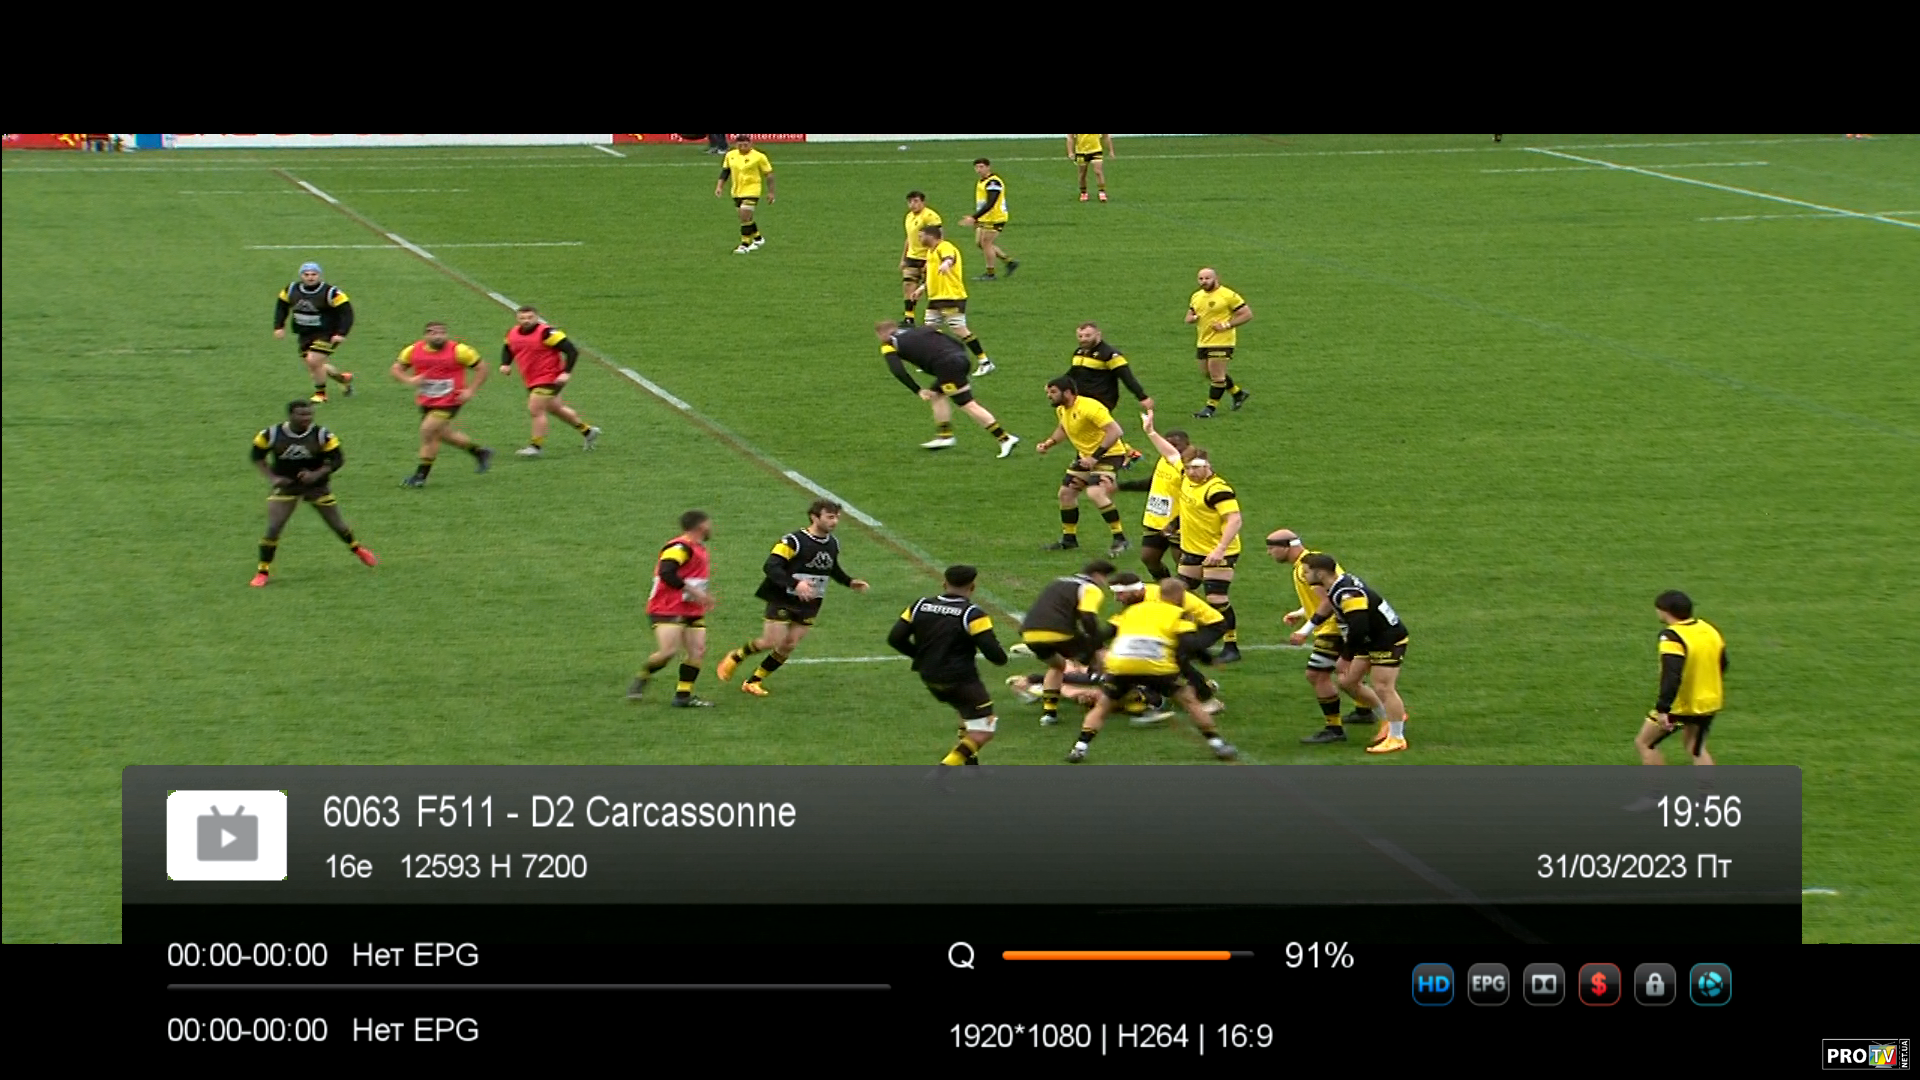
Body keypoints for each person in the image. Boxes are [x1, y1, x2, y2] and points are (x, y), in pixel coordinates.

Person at [1067, 575, 1235, 763]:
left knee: (1103, 706)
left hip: (1121, 665)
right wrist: (1209, 659)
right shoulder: (1179, 613)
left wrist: (1083, 654)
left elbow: (1103, 635)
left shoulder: (1131, 610)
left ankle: (1080, 747)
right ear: (1180, 596)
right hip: (1157, 667)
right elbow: (1189, 644)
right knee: (1189, 700)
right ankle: (1217, 744)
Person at [715, 499, 870, 695]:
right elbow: (771, 566)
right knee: (771, 641)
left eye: (837, 517)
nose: (835, 522)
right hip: (783, 597)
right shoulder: (793, 541)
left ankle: (754, 681)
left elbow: (831, 567)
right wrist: (795, 584)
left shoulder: (833, 543)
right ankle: (737, 656)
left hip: (811, 601)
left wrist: (849, 581)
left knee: (789, 644)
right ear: (815, 517)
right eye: (830, 517)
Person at [1143, 411, 1244, 661]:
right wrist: (1151, 432)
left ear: (1208, 466)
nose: (1191, 471)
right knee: (1179, 594)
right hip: (1193, 550)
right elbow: (1170, 455)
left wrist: (1220, 549)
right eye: (1188, 467)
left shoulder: (1217, 489)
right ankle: (1188, 640)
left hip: (1219, 552)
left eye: (1197, 468)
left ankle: (1231, 646)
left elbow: (1235, 520)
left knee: (1216, 598)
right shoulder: (1187, 479)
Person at [888, 565, 1010, 766]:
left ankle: (971, 767)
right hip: (961, 680)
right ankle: (943, 771)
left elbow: (895, 638)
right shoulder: (973, 614)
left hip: (929, 676)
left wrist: (921, 657)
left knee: (965, 711)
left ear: (944, 583)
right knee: (983, 731)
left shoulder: (919, 605)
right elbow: (996, 656)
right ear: (973, 587)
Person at [248, 400, 377, 586]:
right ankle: (263, 571)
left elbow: (338, 459)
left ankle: (357, 549)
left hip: (316, 486)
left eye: (309, 414)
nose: (306, 418)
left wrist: (316, 474)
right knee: (274, 528)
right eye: (301, 414)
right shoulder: (271, 434)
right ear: (290, 415)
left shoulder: (322, 435)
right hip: (287, 486)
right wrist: (273, 478)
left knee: (338, 525)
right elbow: (256, 456)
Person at [1269, 530, 1376, 743]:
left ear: (1286, 547)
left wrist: (1304, 630)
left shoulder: (1306, 569)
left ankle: (1335, 729)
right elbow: (1332, 595)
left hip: (1332, 628)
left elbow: (1329, 600)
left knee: (1317, 675)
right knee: (1346, 672)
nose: (1269, 552)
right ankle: (1364, 711)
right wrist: (1302, 612)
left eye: (1272, 547)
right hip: (1338, 625)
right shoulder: (1314, 560)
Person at [1299, 554, 1410, 754]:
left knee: (1383, 687)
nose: (1304, 576)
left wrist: (1346, 657)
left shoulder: (1348, 594)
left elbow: (1359, 628)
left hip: (1387, 640)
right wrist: (1305, 623)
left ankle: (1397, 737)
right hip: (1370, 640)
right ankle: (1389, 718)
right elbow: (1333, 608)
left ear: (1320, 573)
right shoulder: (1337, 586)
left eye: (1306, 572)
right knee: (1347, 682)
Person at [875, 321, 1019, 455]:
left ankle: (1004, 438)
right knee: (937, 395)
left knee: (967, 404)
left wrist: (917, 390)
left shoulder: (888, 344)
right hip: (960, 359)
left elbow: (897, 370)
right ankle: (945, 436)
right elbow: (955, 342)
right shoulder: (922, 329)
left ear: (882, 334)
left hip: (947, 366)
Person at [629, 510, 718, 708]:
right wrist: (695, 592)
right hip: (667, 607)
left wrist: (703, 596)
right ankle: (642, 676)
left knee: (697, 651)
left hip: (692, 609)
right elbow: (666, 572)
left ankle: (683, 696)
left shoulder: (699, 547)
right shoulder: (680, 547)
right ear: (701, 526)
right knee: (668, 652)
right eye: (709, 523)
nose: (711, 527)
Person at [1035, 375, 1131, 555]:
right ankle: (1069, 539)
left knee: (1095, 492)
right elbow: (1063, 428)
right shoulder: (1062, 409)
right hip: (1086, 457)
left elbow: (1115, 431)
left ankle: (1120, 538)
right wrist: (1049, 443)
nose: (1049, 396)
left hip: (1109, 455)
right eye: (1048, 392)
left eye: (1053, 392)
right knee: (1066, 493)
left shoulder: (1090, 407)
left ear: (1067, 392)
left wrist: (1095, 457)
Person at [392, 321, 494, 487]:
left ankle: (420, 476)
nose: (438, 336)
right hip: (427, 400)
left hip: (450, 400)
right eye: (433, 333)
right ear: (426, 335)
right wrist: (409, 380)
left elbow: (482, 368)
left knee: (428, 430)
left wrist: (470, 390)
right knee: (444, 435)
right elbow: (396, 369)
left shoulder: (459, 350)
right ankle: (479, 452)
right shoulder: (413, 350)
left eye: (441, 333)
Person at [1635, 591, 1726, 766]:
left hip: (1681, 705)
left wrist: (1663, 709)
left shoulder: (1672, 637)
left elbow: (1671, 674)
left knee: (1645, 743)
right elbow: (1722, 663)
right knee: (1696, 748)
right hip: (1709, 701)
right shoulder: (1709, 629)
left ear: (1665, 611)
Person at [1018, 560, 1114, 726]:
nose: (1105, 584)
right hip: (1059, 632)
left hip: (1029, 633)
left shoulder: (1058, 582)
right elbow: (1087, 617)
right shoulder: (1090, 588)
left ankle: (1049, 713)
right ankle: (1118, 693)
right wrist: (1096, 642)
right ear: (1098, 575)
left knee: (1058, 666)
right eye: (1106, 578)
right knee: (1101, 653)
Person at [500, 306, 601, 457]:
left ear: (537, 317)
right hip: (532, 378)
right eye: (522, 318)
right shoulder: (512, 333)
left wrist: (566, 373)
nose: (526, 321)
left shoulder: (547, 333)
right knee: (555, 408)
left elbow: (571, 351)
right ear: (517, 319)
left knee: (535, 409)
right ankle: (587, 431)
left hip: (550, 377)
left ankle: (536, 446)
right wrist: (506, 363)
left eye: (530, 317)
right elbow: (508, 348)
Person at [912, 224, 995, 377]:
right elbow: (932, 275)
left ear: (931, 236)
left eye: (921, 236)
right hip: (936, 297)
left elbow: (949, 258)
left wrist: (946, 263)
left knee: (959, 330)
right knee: (929, 330)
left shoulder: (945, 246)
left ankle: (985, 362)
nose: (919, 239)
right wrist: (921, 288)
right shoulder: (930, 252)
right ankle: (935, 361)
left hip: (951, 297)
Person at [272, 262, 355, 403]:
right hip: (304, 333)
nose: (310, 277)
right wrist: (278, 326)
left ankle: (321, 394)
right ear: (301, 276)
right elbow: (281, 306)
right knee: (315, 365)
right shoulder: (291, 290)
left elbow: (347, 313)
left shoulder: (332, 292)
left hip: (327, 333)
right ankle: (343, 379)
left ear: (319, 275)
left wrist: (341, 333)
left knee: (314, 360)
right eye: (306, 274)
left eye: (314, 274)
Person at [1185, 267, 1252, 418]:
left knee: (1217, 376)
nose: (1204, 281)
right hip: (1203, 341)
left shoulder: (1228, 295)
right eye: (1201, 279)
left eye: (1207, 278)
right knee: (1207, 373)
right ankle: (1237, 393)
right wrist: (1191, 319)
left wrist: (1227, 325)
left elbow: (1247, 314)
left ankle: (1210, 408)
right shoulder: (1196, 296)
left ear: (1216, 278)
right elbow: (1189, 315)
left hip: (1222, 341)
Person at [1123, 426, 1188, 580]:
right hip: (1156, 519)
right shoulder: (1164, 459)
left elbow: (1195, 499)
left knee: (1183, 566)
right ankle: (1165, 585)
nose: (1170, 448)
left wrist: (1175, 523)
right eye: (1168, 444)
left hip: (1180, 524)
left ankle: (1184, 592)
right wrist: (1119, 486)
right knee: (1148, 557)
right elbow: (1152, 482)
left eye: (1176, 445)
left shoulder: (1188, 467)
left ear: (1187, 445)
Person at [1065, 322, 1153, 419]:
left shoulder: (1110, 354)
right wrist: (1057, 385)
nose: (1083, 339)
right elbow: (1073, 374)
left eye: (1088, 336)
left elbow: (1126, 377)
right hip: (1082, 400)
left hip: (1100, 400)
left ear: (1098, 335)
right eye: (1080, 336)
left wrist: (1142, 397)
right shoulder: (1079, 353)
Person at [714, 134, 775, 254]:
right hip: (737, 191)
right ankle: (758, 238)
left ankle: (744, 244)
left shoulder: (759, 157)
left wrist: (771, 192)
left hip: (752, 190)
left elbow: (769, 175)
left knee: (744, 216)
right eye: (740, 145)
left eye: (745, 145)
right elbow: (725, 172)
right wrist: (719, 186)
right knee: (746, 218)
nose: (742, 147)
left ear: (751, 144)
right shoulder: (730, 155)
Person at [959, 158, 1018, 281]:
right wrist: (978, 218)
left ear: (988, 167)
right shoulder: (982, 181)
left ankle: (990, 274)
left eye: (981, 167)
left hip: (995, 218)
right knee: (980, 243)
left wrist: (973, 217)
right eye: (977, 167)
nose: (979, 170)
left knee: (986, 243)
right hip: (985, 217)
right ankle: (1009, 261)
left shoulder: (993, 183)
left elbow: (991, 203)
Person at [900, 191, 942, 326]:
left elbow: (938, 238)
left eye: (916, 201)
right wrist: (903, 258)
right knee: (908, 285)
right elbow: (909, 238)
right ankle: (909, 317)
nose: (913, 205)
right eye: (910, 202)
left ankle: (935, 320)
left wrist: (931, 258)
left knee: (931, 288)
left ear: (923, 202)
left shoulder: (930, 217)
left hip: (927, 257)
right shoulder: (908, 217)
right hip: (912, 257)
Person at [1067, 134, 1112, 201]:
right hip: (1081, 152)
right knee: (1082, 174)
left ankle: (1102, 192)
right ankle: (1083, 192)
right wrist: (1070, 152)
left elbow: (1106, 136)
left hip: (1096, 150)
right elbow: (1070, 138)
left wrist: (1111, 150)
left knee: (1098, 171)